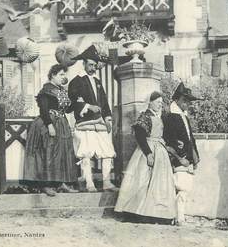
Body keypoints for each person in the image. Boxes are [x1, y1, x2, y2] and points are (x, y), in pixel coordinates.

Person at [115, 91, 176, 221]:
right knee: (142, 180)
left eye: (161, 103)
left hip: (160, 150)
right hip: (147, 150)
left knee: (159, 183)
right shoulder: (145, 116)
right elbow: (140, 136)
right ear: (150, 102)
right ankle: (136, 212)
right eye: (158, 102)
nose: (160, 105)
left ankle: (156, 213)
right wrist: (148, 154)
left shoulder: (159, 117)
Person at [22, 64, 79, 196]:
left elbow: (67, 109)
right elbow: (43, 108)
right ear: (53, 75)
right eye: (61, 75)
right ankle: (46, 185)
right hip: (49, 123)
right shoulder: (46, 90)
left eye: (64, 74)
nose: (63, 77)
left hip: (62, 124)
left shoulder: (61, 90)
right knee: (48, 153)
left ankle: (62, 183)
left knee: (63, 154)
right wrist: (49, 125)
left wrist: (76, 100)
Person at [68, 45, 117, 192]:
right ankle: (89, 182)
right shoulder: (76, 81)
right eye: (90, 65)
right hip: (85, 123)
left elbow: (105, 102)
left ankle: (107, 181)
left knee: (107, 151)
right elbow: (72, 101)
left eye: (95, 65)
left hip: (100, 123)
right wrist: (88, 106)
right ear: (83, 64)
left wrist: (108, 118)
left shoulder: (97, 82)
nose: (93, 68)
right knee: (86, 153)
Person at [163, 82, 201, 226]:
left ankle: (177, 216)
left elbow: (190, 138)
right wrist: (180, 157)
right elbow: (170, 140)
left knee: (184, 188)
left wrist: (195, 156)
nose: (187, 104)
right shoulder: (171, 117)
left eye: (188, 102)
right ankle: (178, 217)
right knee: (181, 188)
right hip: (179, 158)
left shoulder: (183, 116)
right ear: (177, 100)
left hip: (187, 157)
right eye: (184, 101)